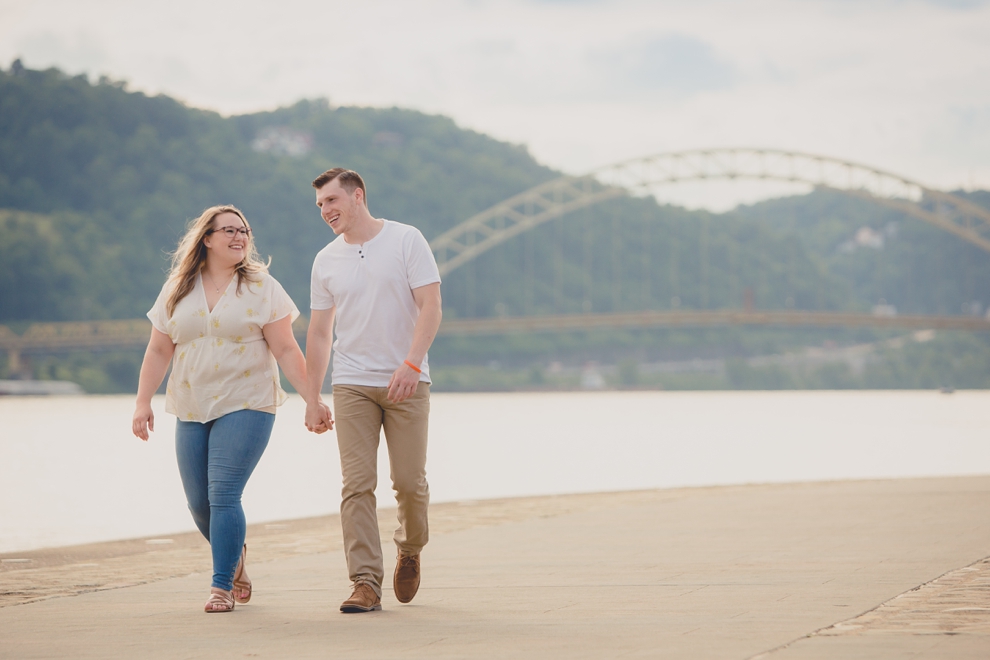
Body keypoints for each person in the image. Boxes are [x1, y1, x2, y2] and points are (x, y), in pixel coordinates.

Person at [132, 204, 327, 613]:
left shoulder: (262, 286)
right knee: (198, 503)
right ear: (206, 238)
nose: (240, 237)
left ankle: (220, 586)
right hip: (191, 403)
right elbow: (158, 348)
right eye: (229, 231)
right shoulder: (177, 287)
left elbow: (287, 348)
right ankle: (235, 555)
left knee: (223, 493)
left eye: (244, 231)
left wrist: (312, 397)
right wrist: (142, 401)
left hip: (248, 400)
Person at [305, 168, 443, 613]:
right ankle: (365, 581)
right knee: (356, 485)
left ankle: (411, 547)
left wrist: (411, 363)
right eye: (320, 205)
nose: (325, 211)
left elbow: (431, 306)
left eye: (331, 201)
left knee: (408, 483)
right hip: (352, 384)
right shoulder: (325, 260)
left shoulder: (406, 240)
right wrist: (311, 396)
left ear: (357, 196)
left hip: (407, 380)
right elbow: (321, 333)